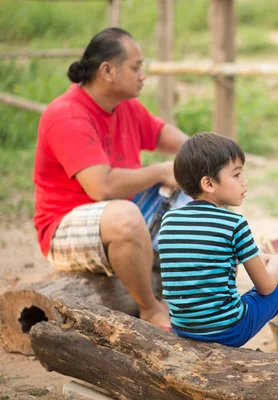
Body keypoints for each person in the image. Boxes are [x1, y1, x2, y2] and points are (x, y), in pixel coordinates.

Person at [33, 27, 189, 329]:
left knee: (203, 194)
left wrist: (210, 156)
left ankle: (191, 299)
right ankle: (151, 309)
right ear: (107, 71)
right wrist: (160, 171)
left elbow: (172, 140)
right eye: (136, 67)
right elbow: (101, 187)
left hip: (119, 210)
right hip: (63, 227)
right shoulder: (66, 115)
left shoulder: (125, 106)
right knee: (126, 217)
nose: (143, 75)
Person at [158, 132, 278, 359]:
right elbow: (266, 287)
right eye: (237, 174)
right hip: (228, 331)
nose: (245, 181)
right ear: (209, 183)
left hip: (184, 328)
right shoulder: (233, 223)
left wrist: (244, 258)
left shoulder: (170, 219)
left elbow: (206, 265)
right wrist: (276, 262)